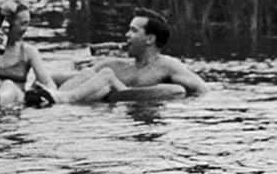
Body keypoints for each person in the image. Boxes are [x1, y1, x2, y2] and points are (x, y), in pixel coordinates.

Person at [57, 9, 208, 103]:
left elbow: (201, 90)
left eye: (133, 31)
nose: (126, 35)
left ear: (150, 39)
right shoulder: (112, 65)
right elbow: (75, 78)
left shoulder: (167, 66)